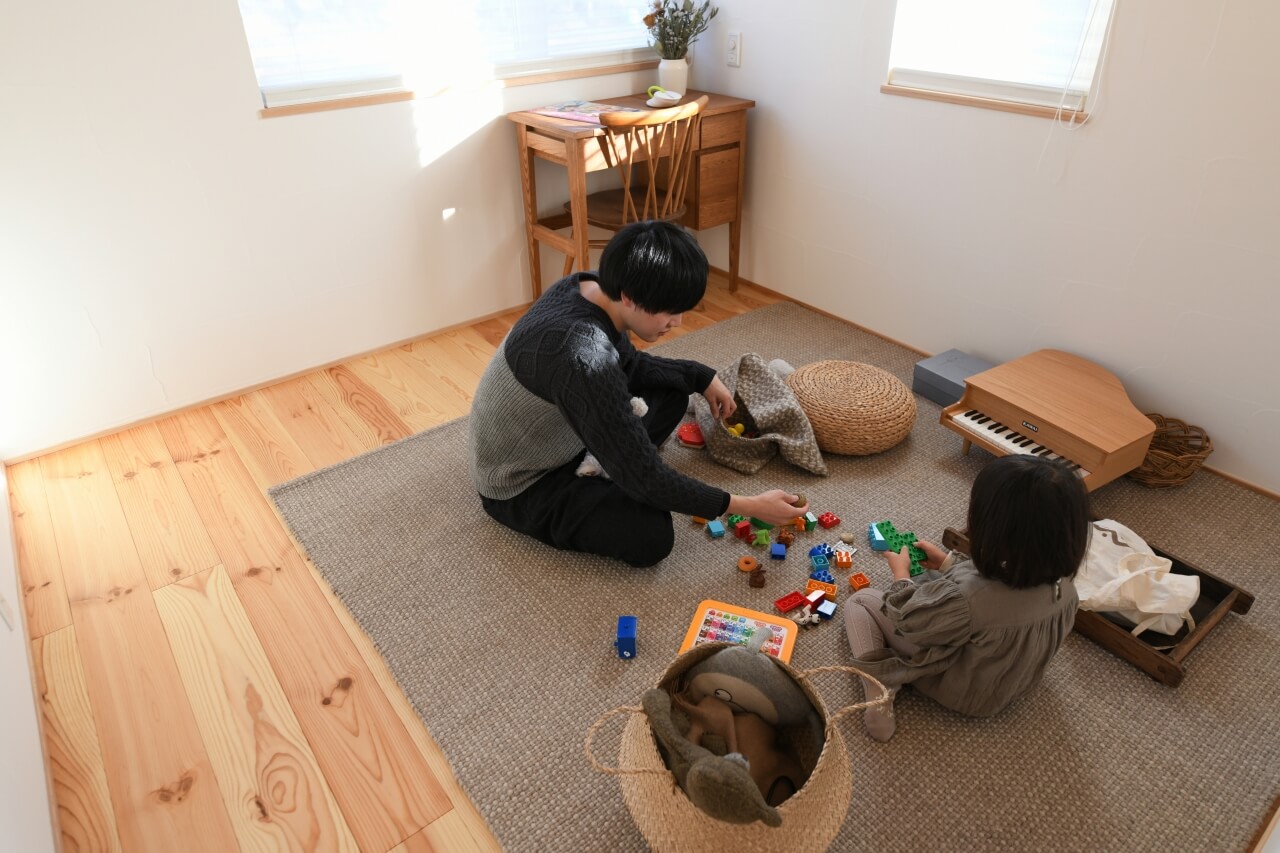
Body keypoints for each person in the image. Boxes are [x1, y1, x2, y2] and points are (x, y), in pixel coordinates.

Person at [468, 220, 806, 567]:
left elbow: (627, 364)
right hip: (521, 481)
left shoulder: (588, 287)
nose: (677, 322)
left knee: (674, 391)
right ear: (629, 297)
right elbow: (647, 479)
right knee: (651, 535)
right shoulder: (583, 355)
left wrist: (700, 377)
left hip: (564, 430)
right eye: (669, 311)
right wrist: (748, 505)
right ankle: (604, 469)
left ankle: (606, 463)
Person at [844, 454, 1090, 741]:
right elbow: (996, 598)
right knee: (937, 582)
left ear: (993, 531)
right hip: (1013, 682)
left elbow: (910, 620)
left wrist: (900, 575)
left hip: (962, 689)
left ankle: (878, 687)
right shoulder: (1067, 586)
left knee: (861, 602)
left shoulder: (969, 598)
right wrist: (949, 564)